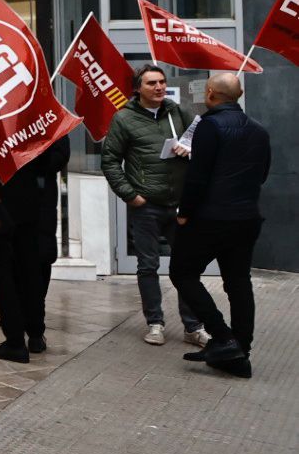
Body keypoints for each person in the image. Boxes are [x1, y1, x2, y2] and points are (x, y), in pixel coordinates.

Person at [171, 73, 271, 378]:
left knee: (182, 273)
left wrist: (184, 212)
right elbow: (263, 174)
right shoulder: (259, 130)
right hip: (246, 218)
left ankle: (223, 337)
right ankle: (241, 353)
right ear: (238, 94)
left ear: (211, 94)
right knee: (238, 282)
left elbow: (198, 176)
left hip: (211, 218)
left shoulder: (209, 126)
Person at [99, 64, 207, 346]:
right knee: (148, 265)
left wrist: (192, 149)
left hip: (181, 205)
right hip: (146, 206)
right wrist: (131, 196)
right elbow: (110, 161)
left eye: (161, 82)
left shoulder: (178, 112)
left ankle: (193, 326)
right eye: (151, 83)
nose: (159, 87)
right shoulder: (124, 119)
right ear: (137, 89)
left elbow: (203, 142)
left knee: (186, 266)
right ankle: (155, 323)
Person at [0, 127, 70, 363]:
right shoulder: (34, 112)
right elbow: (53, 159)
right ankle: (35, 331)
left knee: (2, 274)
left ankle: (16, 341)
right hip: (27, 199)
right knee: (29, 267)